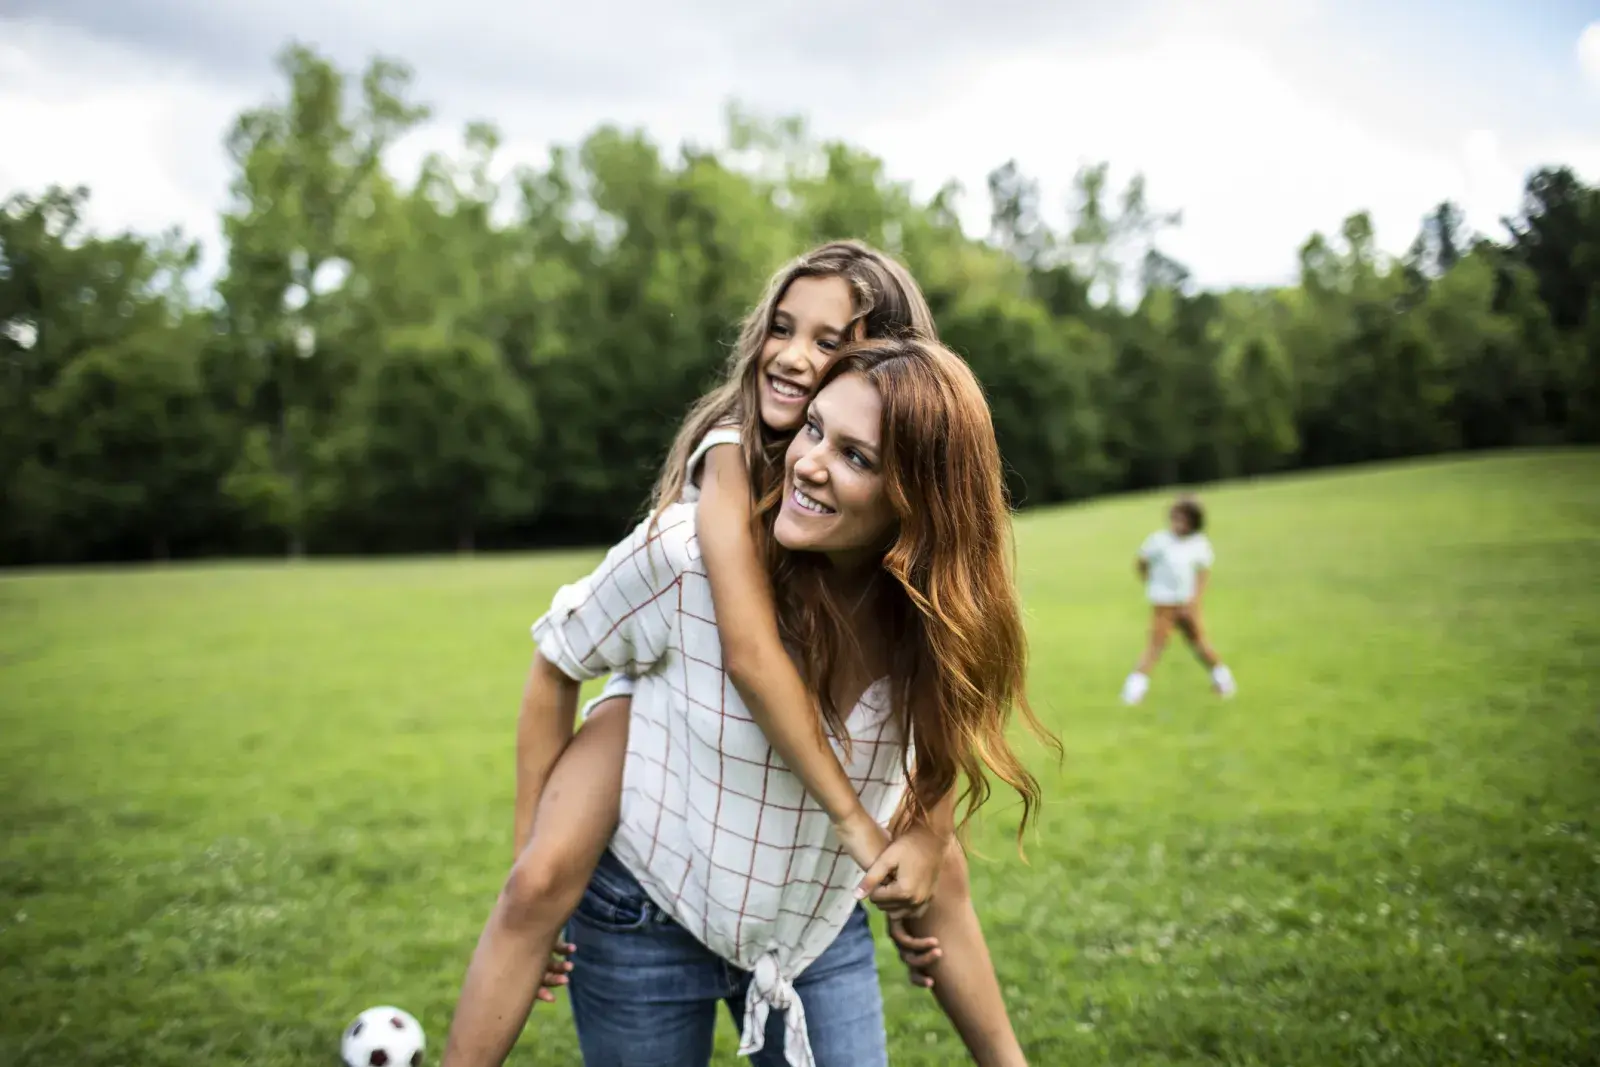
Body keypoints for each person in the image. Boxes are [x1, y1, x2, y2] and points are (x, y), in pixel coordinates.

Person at [441, 247, 1039, 1067]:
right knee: (540, 878)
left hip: (804, 928)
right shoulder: (714, 507)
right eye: (784, 329)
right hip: (651, 876)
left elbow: (939, 770)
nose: (794, 357)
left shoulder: (931, 605)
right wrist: (862, 830)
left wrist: (922, 854)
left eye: (830, 344)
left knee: (941, 861)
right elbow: (747, 653)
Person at [1120, 495, 1237, 705]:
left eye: (1184, 520)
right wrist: (1151, 582)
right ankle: (1134, 691)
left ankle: (1224, 680)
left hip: (1187, 604)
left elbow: (1202, 574)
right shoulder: (1159, 540)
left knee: (1200, 643)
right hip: (1163, 603)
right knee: (1155, 645)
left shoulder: (1198, 544)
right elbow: (1141, 562)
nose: (1178, 524)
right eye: (1175, 518)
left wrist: (1193, 601)